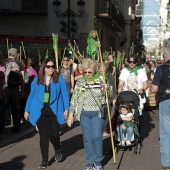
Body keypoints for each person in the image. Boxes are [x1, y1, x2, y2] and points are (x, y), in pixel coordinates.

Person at [24, 58, 69, 169]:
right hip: (40, 112)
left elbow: (64, 94)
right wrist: (26, 110)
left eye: (52, 66)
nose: (51, 69)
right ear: (43, 68)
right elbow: (31, 96)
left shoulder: (59, 79)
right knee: (43, 136)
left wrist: (67, 109)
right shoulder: (37, 80)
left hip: (54, 111)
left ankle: (57, 149)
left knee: (54, 134)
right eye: (48, 66)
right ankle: (44, 161)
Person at [67, 58, 110, 170]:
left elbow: (107, 95)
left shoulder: (100, 80)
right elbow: (74, 98)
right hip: (84, 113)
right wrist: (71, 115)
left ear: (95, 70)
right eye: (85, 72)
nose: (87, 74)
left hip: (97, 113)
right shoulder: (81, 81)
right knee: (87, 138)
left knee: (97, 137)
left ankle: (98, 160)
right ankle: (90, 162)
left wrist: (106, 89)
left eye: (89, 72)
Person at [151, 45, 170, 170]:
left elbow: (154, 88)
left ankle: (166, 163)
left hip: (166, 100)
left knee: (165, 133)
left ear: (165, 55)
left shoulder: (161, 68)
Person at [1, 48, 24, 133]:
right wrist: (21, 89)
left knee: (3, 107)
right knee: (15, 107)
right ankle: (17, 127)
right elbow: (22, 77)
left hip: (5, 86)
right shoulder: (19, 64)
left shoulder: (3, 62)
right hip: (15, 87)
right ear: (16, 54)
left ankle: (1, 128)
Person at [19, 57, 38, 123]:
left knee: (21, 104)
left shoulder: (21, 69)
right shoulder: (33, 71)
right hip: (30, 90)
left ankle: (21, 118)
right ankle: (28, 116)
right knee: (29, 103)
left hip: (22, 89)